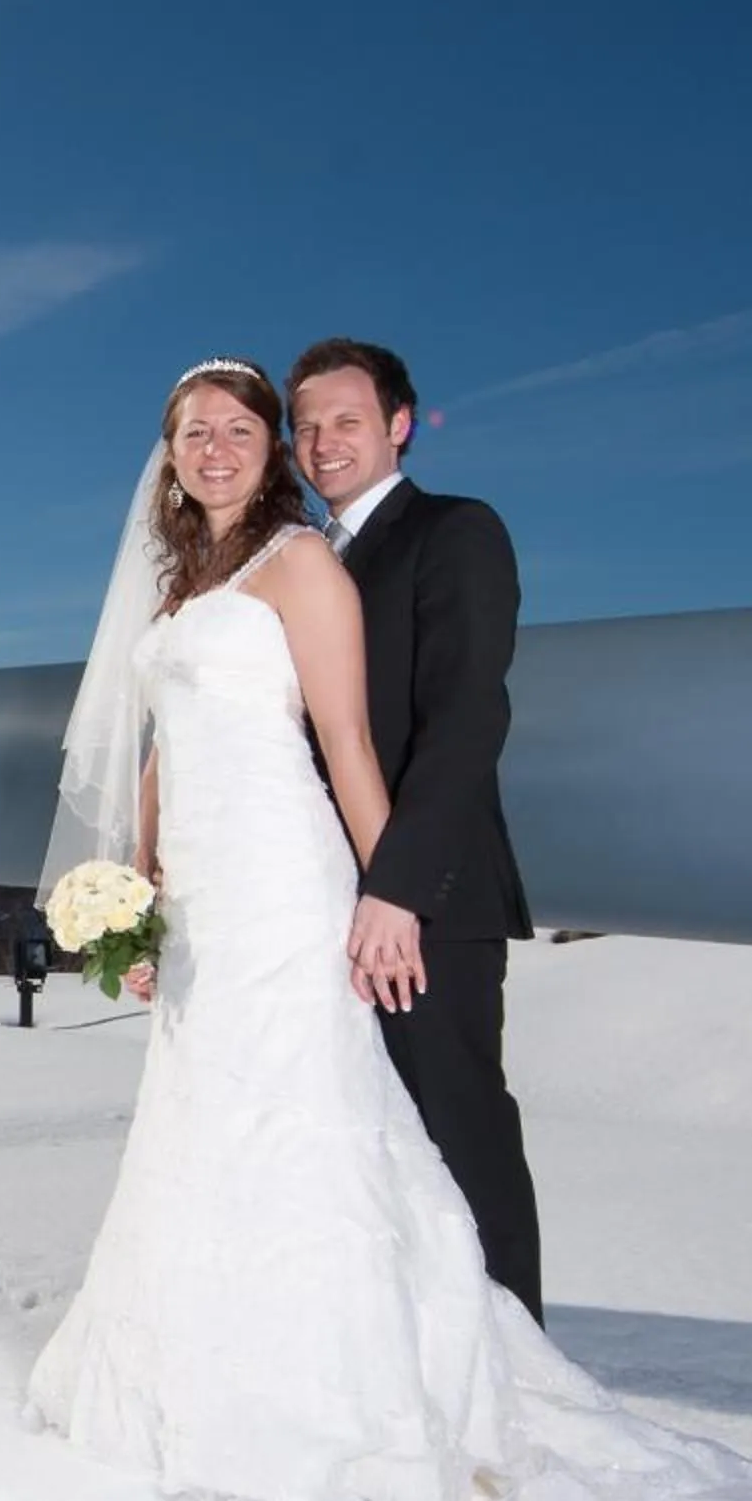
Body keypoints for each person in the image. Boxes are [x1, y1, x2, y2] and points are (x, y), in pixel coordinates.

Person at [24, 357, 752, 1501]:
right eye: (200, 430)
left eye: (248, 427)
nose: (224, 445)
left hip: (310, 886)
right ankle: (214, 1368)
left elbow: (374, 738)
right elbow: (164, 749)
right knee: (215, 1126)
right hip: (210, 900)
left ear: (373, 430)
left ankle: (419, 1389)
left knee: (352, 1127)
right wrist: (142, 895)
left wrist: (389, 889)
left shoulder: (333, 556)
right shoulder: (185, 585)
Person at [289, 335, 543, 1323]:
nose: (323, 441)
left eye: (346, 419)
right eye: (305, 426)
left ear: (399, 424)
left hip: (427, 902)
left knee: (459, 1133)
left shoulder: (455, 531)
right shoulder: (300, 562)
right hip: (322, 902)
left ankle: (520, 1365)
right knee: (362, 1141)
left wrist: (396, 886)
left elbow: (468, 717)